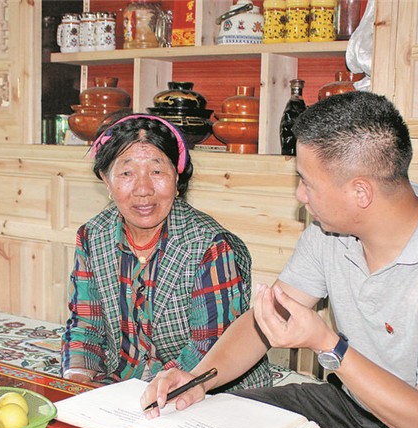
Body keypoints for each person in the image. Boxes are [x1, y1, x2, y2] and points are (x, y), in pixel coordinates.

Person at [142, 92, 418, 428]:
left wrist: (327, 345)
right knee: (209, 422)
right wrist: (199, 379)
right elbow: (265, 321)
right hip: (352, 404)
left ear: (360, 193)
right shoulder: (328, 234)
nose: (300, 195)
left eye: (307, 182)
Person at [61, 113, 271, 389]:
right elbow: (86, 325)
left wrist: (148, 392)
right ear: (106, 180)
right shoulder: (92, 237)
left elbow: (210, 347)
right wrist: (78, 380)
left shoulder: (210, 245)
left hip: (208, 388)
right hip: (125, 384)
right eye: (126, 173)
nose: (143, 189)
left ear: (177, 174)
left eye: (157, 171)